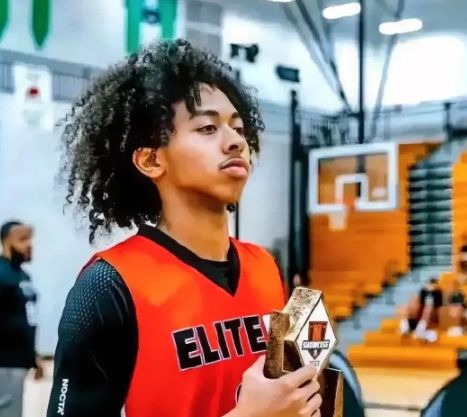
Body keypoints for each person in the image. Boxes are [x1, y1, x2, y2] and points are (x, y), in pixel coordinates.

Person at [47, 40, 322, 417]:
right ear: (151, 160)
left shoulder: (264, 266)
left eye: (238, 128)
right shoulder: (108, 285)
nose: (235, 141)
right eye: (208, 128)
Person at [0, 221, 42, 417]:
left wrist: (33, 357)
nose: (29, 245)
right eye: (22, 239)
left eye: (29, 239)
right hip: (3, 363)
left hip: (18, 362)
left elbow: (26, 318)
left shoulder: (24, 276)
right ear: (7, 242)